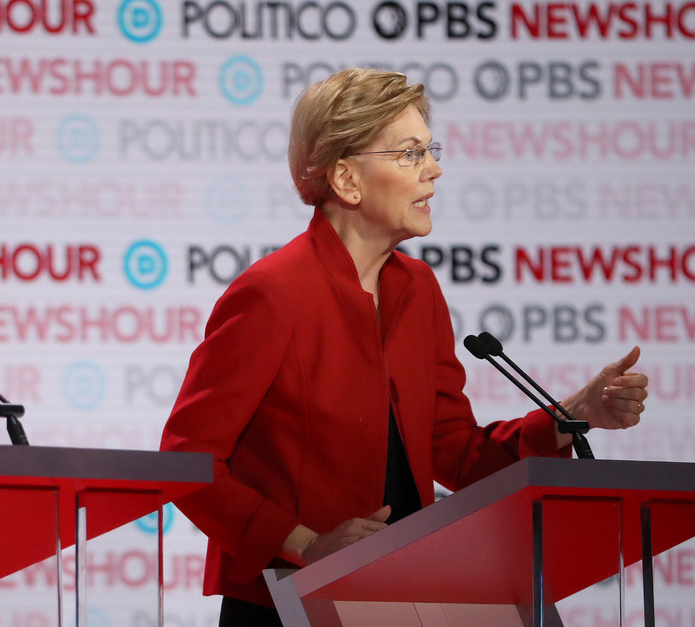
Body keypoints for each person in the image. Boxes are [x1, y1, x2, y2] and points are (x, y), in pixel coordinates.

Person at [157, 68, 649, 626]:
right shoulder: (272, 294)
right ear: (347, 179)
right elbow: (187, 461)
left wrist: (570, 416)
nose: (435, 170)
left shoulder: (418, 290)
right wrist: (306, 544)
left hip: (403, 597)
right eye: (411, 153)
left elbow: (456, 452)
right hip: (286, 604)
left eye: (429, 150)